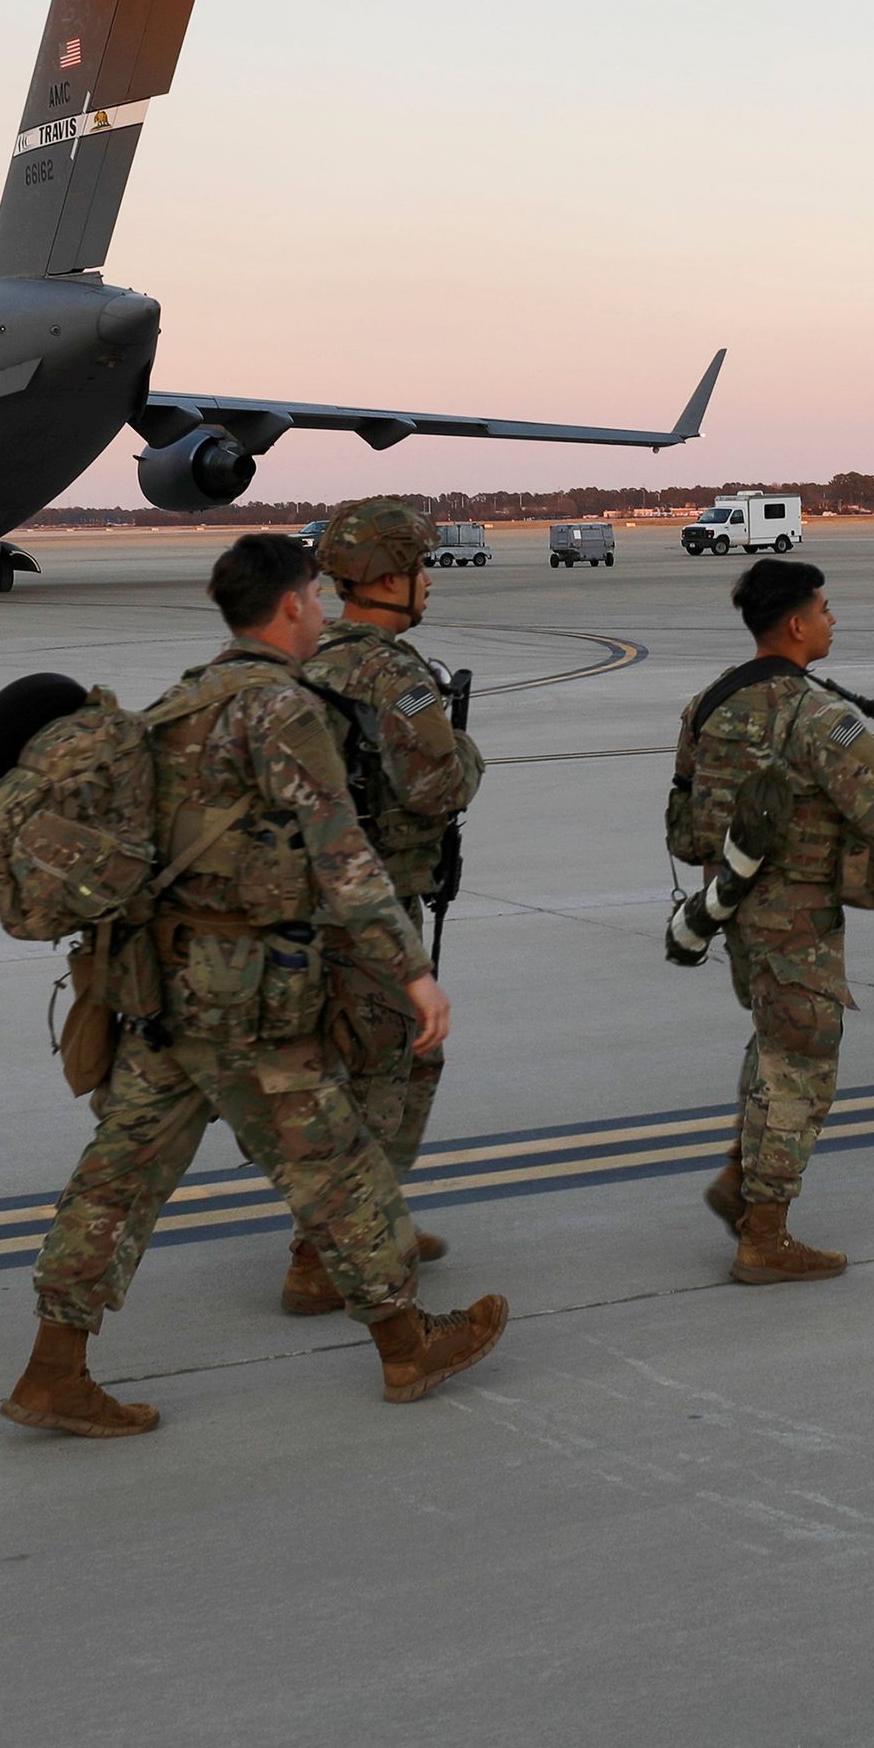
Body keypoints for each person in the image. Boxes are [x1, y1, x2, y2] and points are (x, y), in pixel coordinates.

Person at [4, 534, 507, 1436]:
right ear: (289, 606)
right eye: (313, 596)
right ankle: (407, 1346)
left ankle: (52, 1370)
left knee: (115, 1181)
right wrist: (414, 971)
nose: (320, 609)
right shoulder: (282, 709)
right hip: (245, 1001)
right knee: (338, 1168)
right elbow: (343, 856)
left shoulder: (183, 697)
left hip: (161, 989)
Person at [668, 557, 874, 1280]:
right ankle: (765, 1237)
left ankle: (740, 1179)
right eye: (824, 609)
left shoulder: (708, 704)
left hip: (734, 904)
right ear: (796, 624)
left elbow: (686, 813)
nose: (832, 621)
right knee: (804, 1064)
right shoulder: (819, 716)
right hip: (797, 914)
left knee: (774, 1044)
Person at [283, 500, 484, 1314]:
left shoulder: (303, 655)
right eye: (419, 567)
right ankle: (322, 1256)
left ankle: (375, 1217)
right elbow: (439, 784)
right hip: (372, 909)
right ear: (388, 577)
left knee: (385, 1063)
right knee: (381, 1072)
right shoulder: (394, 676)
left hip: (304, 903)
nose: (429, 581)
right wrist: (466, 748)